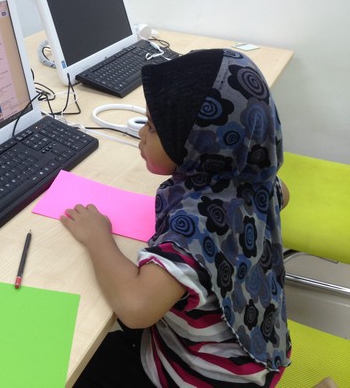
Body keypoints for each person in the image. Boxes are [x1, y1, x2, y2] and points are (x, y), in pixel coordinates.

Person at [61, 49, 291, 387]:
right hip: (259, 347)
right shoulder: (257, 180)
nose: (141, 134)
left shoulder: (196, 224)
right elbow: (284, 193)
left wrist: (98, 237)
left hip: (208, 375)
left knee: (74, 365)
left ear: (201, 144)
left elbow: (136, 308)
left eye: (153, 128)